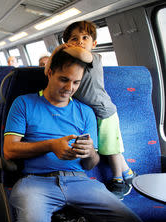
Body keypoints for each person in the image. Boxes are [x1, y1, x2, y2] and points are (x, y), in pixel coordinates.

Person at [4, 49, 146, 222]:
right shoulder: (24, 103)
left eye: (76, 82)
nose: (70, 87)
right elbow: (9, 150)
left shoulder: (85, 112)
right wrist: (51, 145)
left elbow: (91, 164)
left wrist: (89, 151)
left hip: (80, 181)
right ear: (49, 72)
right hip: (36, 182)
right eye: (63, 79)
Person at [47, 20, 135, 198]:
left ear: (94, 44)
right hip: (89, 114)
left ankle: (118, 180)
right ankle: (130, 174)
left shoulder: (94, 58)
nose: (79, 41)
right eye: (74, 38)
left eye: (85, 37)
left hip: (104, 111)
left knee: (111, 149)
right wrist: (58, 51)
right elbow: (47, 70)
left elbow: (83, 54)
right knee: (105, 145)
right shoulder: (71, 63)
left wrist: (62, 47)